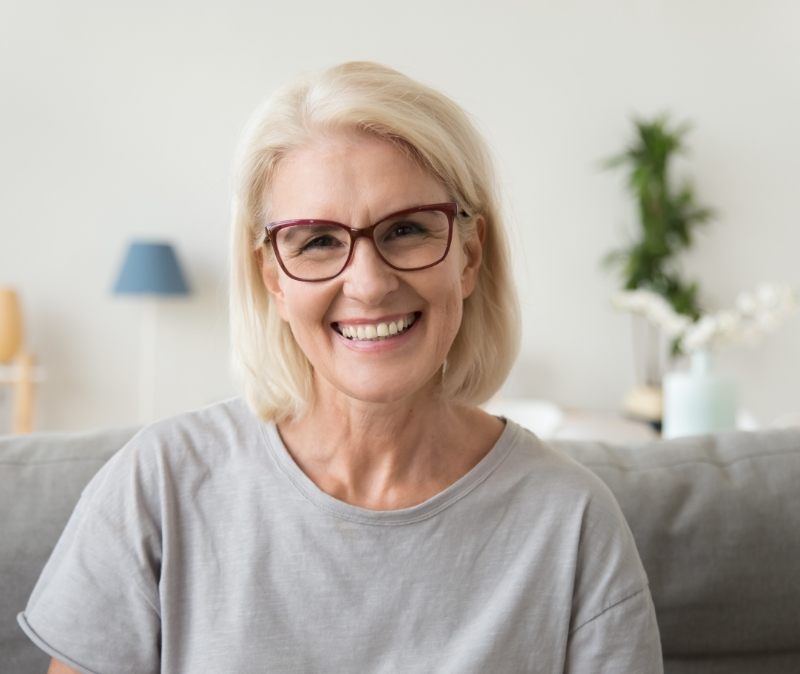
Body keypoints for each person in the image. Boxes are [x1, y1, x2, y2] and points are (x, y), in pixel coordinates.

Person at [19, 62, 663, 673]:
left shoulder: (572, 522)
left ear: (468, 256)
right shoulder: (157, 485)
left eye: (407, 229)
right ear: (272, 275)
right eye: (319, 241)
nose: (370, 284)